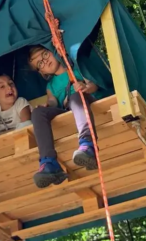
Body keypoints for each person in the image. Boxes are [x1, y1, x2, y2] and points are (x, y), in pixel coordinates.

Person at [27, 46, 100, 188]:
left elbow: (93, 85)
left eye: (45, 54)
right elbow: (53, 102)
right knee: (37, 113)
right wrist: (46, 105)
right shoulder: (50, 86)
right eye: (40, 63)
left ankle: (88, 145)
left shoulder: (76, 68)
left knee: (75, 97)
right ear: (42, 72)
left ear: (52, 51)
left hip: (83, 102)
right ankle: (48, 162)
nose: (44, 61)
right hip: (65, 110)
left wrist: (85, 87)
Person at [0, 73, 32, 141]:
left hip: (21, 139)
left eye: (11, 84)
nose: (9, 87)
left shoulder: (20, 103)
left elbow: (26, 125)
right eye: (2, 86)